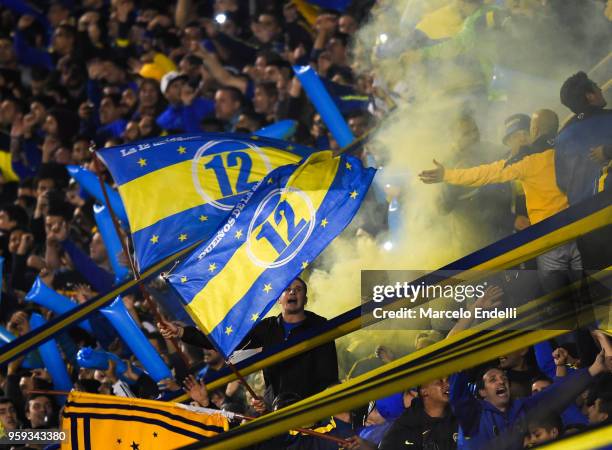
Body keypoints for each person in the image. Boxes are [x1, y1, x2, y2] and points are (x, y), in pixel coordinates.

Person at [157, 278, 338, 409]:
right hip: (278, 411)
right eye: (287, 289)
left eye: (298, 289)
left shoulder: (320, 325)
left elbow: (328, 375)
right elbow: (225, 342)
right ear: (278, 299)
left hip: (314, 408)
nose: (292, 292)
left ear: (305, 299)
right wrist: (181, 332)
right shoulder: (267, 328)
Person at [450, 350, 610, 449]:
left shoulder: (524, 407)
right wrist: (461, 363)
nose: (501, 381)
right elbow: (457, 397)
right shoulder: (474, 415)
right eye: (493, 379)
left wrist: (594, 369)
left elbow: (557, 393)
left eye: (503, 378)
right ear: (482, 392)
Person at [379, 378, 458, 450]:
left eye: (448, 380)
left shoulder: (460, 413)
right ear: (424, 391)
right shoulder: (404, 430)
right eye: (440, 382)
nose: (448, 384)